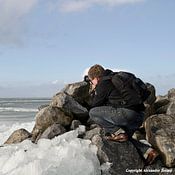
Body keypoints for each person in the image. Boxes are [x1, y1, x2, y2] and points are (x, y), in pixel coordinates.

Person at [87, 64, 159, 165]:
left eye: (92, 81)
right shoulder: (115, 78)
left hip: (127, 115)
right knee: (125, 138)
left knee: (92, 113)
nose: (91, 83)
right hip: (140, 115)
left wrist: (94, 89)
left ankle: (117, 132)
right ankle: (149, 151)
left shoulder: (104, 83)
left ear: (96, 78)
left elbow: (94, 106)